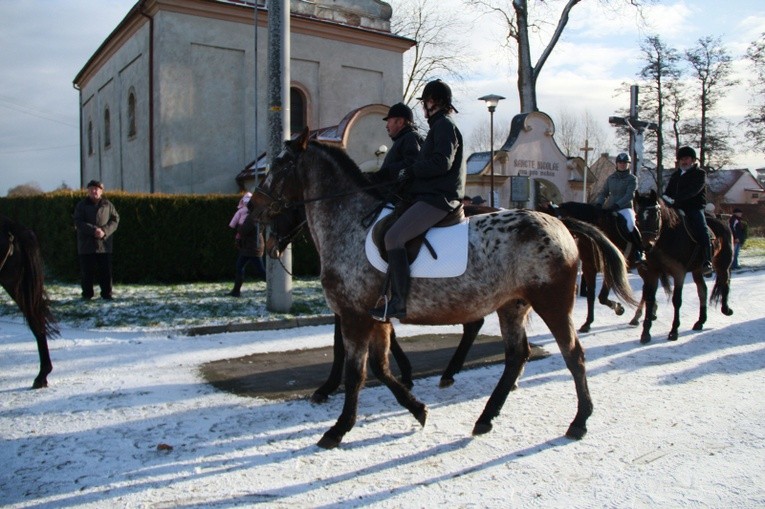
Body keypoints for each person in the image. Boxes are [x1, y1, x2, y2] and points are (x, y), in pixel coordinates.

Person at [370, 79, 465, 321]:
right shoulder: (439, 127)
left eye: (426, 102)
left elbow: (442, 162)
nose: (424, 108)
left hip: (440, 198)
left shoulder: (444, 125)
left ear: (433, 102)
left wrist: (410, 171)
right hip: (431, 195)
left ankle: (400, 302)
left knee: (393, 237)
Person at [662, 146, 713, 276]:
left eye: (686, 159)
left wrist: (676, 200)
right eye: (681, 159)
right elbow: (668, 191)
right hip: (675, 208)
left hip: (694, 207)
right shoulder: (675, 175)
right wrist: (664, 198)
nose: (684, 161)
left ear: (693, 160)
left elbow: (693, 191)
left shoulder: (700, 173)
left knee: (702, 228)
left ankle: (707, 260)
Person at [593, 152, 645, 264]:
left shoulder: (632, 179)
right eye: (620, 162)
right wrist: (599, 204)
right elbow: (603, 193)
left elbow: (629, 195)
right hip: (610, 207)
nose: (622, 164)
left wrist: (617, 205)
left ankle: (639, 252)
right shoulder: (610, 178)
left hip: (625, 208)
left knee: (631, 224)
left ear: (628, 164)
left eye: (625, 163)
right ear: (616, 164)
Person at [73, 180, 120, 300]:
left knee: (106, 272)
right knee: (87, 273)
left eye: (97, 189)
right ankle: (87, 295)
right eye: (92, 189)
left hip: (104, 245)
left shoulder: (108, 205)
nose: (94, 191)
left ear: (101, 191)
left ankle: (107, 295)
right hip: (86, 245)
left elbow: (115, 220)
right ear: (88, 191)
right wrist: (94, 230)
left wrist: (104, 231)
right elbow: (78, 222)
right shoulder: (81, 205)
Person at [369, 102, 423, 199]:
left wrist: (386, 172)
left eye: (389, 121)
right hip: (393, 198)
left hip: (399, 200)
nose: (386, 126)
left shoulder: (410, 137)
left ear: (400, 122)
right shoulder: (404, 139)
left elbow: (412, 163)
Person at [227, 200, 266, 297]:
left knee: (260, 270)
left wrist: (239, 224)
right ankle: (236, 291)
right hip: (251, 247)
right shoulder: (257, 217)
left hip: (252, 248)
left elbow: (243, 230)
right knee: (241, 267)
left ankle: (275, 287)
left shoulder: (251, 218)